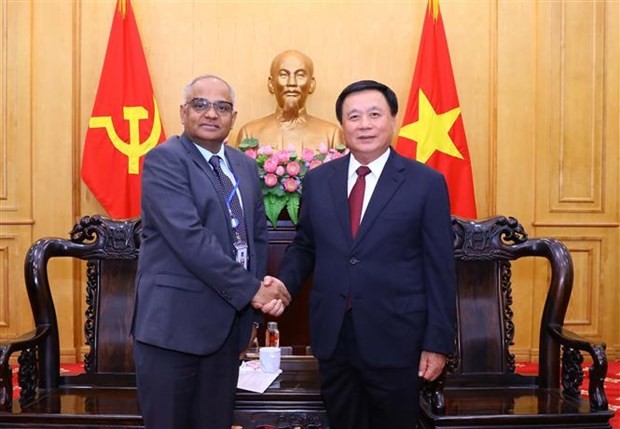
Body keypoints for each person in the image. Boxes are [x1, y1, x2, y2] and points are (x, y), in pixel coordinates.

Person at [278, 80, 457, 429]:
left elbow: (440, 268)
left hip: (397, 337)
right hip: (334, 336)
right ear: (342, 126)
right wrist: (282, 284)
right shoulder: (318, 181)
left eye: (374, 114)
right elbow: (305, 246)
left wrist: (437, 343)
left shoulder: (426, 183)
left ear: (393, 120)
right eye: (354, 116)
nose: (364, 124)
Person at [131, 74, 291, 429]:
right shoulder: (165, 161)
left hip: (226, 329)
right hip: (174, 330)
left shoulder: (244, 166)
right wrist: (255, 291)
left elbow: (256, 239)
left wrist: (252, 314)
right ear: (183, 112)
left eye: (222, 107)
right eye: (200, 105)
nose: (211, 114)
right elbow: (190, 239)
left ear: (233, 117)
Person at [235, 49, 344, 152]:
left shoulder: (331, 134)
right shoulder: (250, 133)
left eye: (300, 75)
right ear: (271, 84)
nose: (292, 82)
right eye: (283, 75)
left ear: (311, 84)